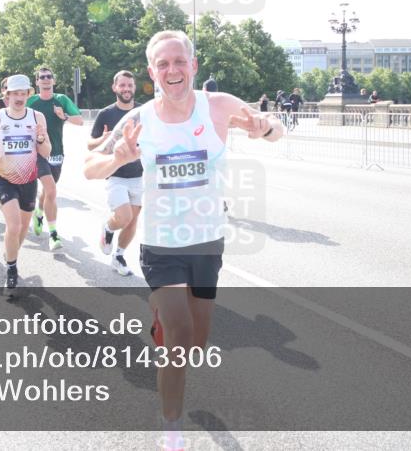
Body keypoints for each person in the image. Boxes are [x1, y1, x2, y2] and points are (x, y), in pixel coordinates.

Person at [84, 30, 283, 451]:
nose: (172, 70)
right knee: (177, 335)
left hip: (207, 241)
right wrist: (119, 157)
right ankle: (171, 430)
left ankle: (165, 327)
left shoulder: (219, 107)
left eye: (180, 62)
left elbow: (273, 129)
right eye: (163, 64)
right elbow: (89, 166)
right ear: (152, 72)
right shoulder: (139, 118)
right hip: (161, 243)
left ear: (193, 66)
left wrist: (266, 127)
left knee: (195, 342)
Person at [0, 74, 51, 291]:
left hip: (28, 179)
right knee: (14, 225)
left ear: (29, 94)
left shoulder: (37, 118)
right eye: (14, 93)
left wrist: (40, 139)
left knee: (23, 228)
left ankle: (10, 254)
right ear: (6, 95)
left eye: (23, 93)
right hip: (4, 177)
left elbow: (46, 152)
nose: (19, 98)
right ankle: (11, 269)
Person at [87, 70, 142, 276]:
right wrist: (103, 139)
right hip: (116, 175)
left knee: (133, 221)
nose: (126, 89)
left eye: (130, 85)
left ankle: (118, 255)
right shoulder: (106, 114)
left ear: (134, 87)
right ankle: (109, 228)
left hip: (140, 175)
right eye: (122, 85)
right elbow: (90, 144)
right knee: (124, 217)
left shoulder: (143, 112)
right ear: (115, 88)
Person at [25, 66, 84, 250]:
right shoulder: (31, 101)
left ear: (53, 80)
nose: (45, 79)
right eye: (42, 77)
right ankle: (53, 234)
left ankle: (39, 212)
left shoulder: (61, 100)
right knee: (51, 190)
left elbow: (80, 120)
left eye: (49, 76)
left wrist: (63, 116)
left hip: (57, 153)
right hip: (38, 153)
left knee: (48, 190)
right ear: (37, 82)